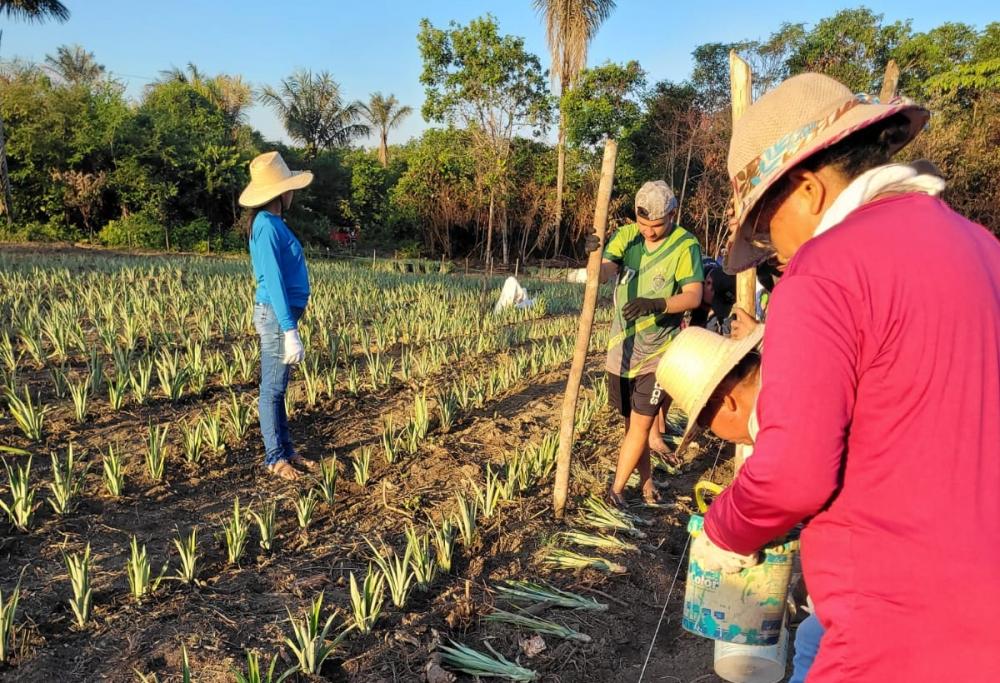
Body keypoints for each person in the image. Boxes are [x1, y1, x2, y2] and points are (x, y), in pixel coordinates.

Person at [692, 73, 1000, 681]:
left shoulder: (827, 269)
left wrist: (723, 527)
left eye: (764, 225)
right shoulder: (984, 249)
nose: (771, 249)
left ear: (807, 189)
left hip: (900, 633)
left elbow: (791, 476)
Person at [654, 325, 821, 682]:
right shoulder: (796, 375)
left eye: (707, 426)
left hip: (900, 567)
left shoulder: (782, 408)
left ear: (726, 402)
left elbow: (784, 482)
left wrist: (722, 532)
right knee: (812, 640)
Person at [584, 180, 703, 506]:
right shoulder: (626, 237)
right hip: (621, 349)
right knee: (632, 427)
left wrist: (656, 304)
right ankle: (647, 483)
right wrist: (593, 256)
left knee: (641, 424)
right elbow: (604, 273)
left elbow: (694, 296)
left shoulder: (684, 245)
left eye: (657, 225)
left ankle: (617, 490)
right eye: (644, 224)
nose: (649, 232)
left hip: (659, 352)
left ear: (673, 215)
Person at [239, 151, 318, 481]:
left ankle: (286, 449)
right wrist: (289, 329)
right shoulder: (267, 225)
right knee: (272, 390)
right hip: (275, 317)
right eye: (289, 187)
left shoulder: (272, 223)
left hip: (279, 316)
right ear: (279, 192)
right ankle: (274, 458)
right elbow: (273, 279)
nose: (293, 192)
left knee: (279, 389)